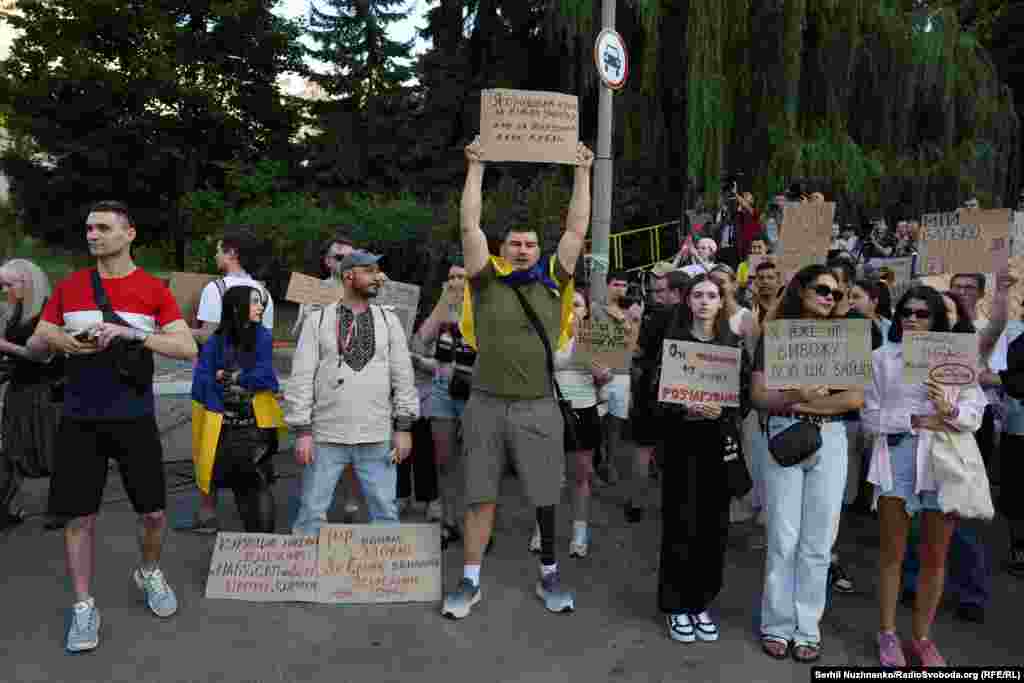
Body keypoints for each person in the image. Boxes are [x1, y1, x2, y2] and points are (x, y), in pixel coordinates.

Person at [27, 200, 198, 653]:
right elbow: (40, 336)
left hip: (134, 417)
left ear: (129, 234)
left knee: (154, 513)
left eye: (103, 228)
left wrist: (133, 334)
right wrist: (59, 339)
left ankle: (148, 571)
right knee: (79, 517)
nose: (93, 235)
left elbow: (186, 348)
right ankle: (84, 605)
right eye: (88, 228)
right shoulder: (72, 286)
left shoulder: (152, 290)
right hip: (80, 417)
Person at [440, 135, 593, 619]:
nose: (523, 249)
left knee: (546, 496)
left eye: (530, 244)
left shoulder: (555, 279)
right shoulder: (484, 279)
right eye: (515, 244)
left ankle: (549, 574)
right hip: (485, 403)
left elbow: (577, 226)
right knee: (479, 495)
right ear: (502, 248)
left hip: (538, 405)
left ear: (539, 248)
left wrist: (583, 171)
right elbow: (469, 223)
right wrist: (476, 167)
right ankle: (469, 582)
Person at [865, 286, 988, 667]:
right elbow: (868, 418)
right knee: (892, 553)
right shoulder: (883, 358)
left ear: (937, 320)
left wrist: (949, 411)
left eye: (922, 314)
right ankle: (887, 633)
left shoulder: (957, 359)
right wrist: (915, 420)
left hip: (943, 461)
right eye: (907, 312)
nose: (912, 319)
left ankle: (921, 637)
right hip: (896, 459)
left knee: (936, 557)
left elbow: (975, 414)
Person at [751, 264, 864, 663]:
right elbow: (759, 395)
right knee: (783, 538)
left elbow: (853, 400)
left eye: (835, 293)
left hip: (830, 438)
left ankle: (806, 628)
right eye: (822, 289)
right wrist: (791, 399)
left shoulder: (846, 337)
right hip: (785, 434)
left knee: (818, 542)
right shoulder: (776, 334)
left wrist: (797, 400)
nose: (829, 297)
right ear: (800, 290)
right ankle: (776, 625)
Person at [643, 274, 750, 643]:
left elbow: (746, 395)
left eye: (712, 295)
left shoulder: (733, 344)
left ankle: (701, 601)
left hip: (718, 446)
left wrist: (721, 412)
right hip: (680, 445)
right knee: (680, 524)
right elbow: (654, 396)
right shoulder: (672, 344)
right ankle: (675, 605)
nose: (705, 301)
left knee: (712, 528)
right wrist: (682, 409)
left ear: (722, 302)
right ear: (687, 301)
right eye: (698, 295)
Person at [287, 250, 418, 533]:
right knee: (311, 513)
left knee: (385, 513)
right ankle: (303, 573)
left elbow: (403, 377)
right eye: (369, 271)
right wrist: (302, 432)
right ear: (349, 276)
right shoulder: (318, 320)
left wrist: (404, 427)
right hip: (325, 434)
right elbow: (300, 379)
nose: (378, 277)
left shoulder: (388, 320)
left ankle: (382, 576)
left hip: (376, 433)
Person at [185, 226, 276, 533]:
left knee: (209, 451)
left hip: (219, 397)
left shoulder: (216, 289)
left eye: (219, 249)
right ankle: (258, 531)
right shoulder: (263, 291)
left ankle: (208, 515)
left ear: (232, 253)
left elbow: (210, 335)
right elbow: (265, 340)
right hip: (256, 401)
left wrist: (179, 331)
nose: (215, 255)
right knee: (255, 464)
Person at [191, 286, 284, 533]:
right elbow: (202, 381)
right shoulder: (216, 340)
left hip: (255, 426)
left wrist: (229, 376)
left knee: (258, 483)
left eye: (261, 302)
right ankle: (255, 545)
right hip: (223, 426)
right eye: (254, 302)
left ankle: (263, 543)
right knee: (241, 485)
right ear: (236, 306)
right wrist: (241, 379)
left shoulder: (262, 335)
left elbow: (266, 378)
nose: (260, 307)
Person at [413, 263, 475, 547]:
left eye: (461, 277)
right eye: (450, 277)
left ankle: (476, 524)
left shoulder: (482, 308)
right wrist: (443, 302)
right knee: (444, 461)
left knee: (477, 463)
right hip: (441, 391)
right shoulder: (442, 311)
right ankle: (448, 521)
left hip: (476, 392)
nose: (455, 281)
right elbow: (421, 340)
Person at [543, 290, 609, 558]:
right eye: (568, 305)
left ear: (585, 311)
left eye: (578, 305)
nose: (572, 309)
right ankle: (542, 530)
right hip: (550, 410)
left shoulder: (595, 338)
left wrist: (587, 355)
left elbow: (605, 376)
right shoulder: (547, 335)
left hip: (583, 411)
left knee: (581, 475)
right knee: (546, 477)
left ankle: (579, 531)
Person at [0, 259, 63, 530]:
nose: (3, 290)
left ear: (28, 283)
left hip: (45, 392)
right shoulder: (17, 312)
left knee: (53, 453)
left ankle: (60, 510)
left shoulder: (48, 311)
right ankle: (3, 509)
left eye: (8, 284)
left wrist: (3, 346)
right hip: (20, 389)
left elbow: (44, 356)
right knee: (11, 452)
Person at [291, 233, 355, 338]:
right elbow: (299, 338)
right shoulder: (312, 291)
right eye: (340, 257)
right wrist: (309, 318)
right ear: (328, 261)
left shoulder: (368, 290)